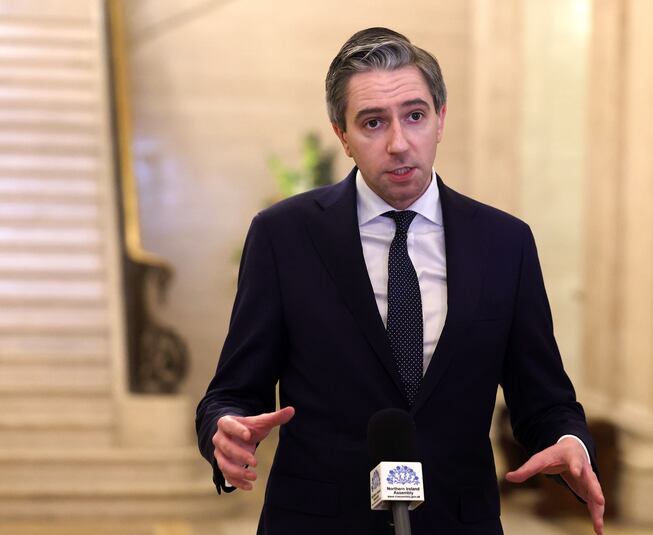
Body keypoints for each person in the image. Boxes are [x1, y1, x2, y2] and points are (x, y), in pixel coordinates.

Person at [196, 27, 604, 535]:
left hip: (458, 522)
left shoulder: (506, 242)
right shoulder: (284, 236)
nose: (398, 142)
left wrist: (569, 441)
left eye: (415, 115)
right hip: (318, 522)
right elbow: (232, 392)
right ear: (341, 135)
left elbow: (544, 399)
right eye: (372, 122)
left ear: (441, 119)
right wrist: (225, 429)